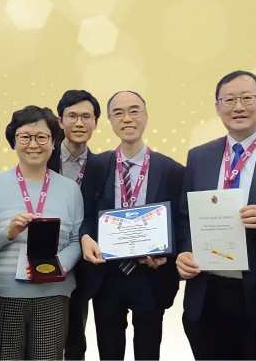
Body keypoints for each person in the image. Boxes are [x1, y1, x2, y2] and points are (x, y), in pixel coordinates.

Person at [174, 71, 256, 360]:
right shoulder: (199, 156)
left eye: (247, 98)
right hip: (208, 294)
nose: (238, 107)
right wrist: (183, 253)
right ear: (217, 106)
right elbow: (185, 218)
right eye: (229, 99)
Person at [79, 90, 184, 360]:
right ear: (110, 121)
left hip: (150, 275)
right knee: (109, 352)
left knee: (148, 352)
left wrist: (166, 254)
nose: (127, 118)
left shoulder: (172, 169)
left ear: (146, 117)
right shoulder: (96, 165)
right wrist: (85, 236)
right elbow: (87, 215)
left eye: (134, 110)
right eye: (118, 112)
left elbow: (180, 221)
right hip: (108, 276)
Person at [0, 105, 83, 360]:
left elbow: (77, 239)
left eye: (42, 137)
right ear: (14, 141)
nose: (34, 144)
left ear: (54, 142)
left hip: (52, 296)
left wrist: (56, 267)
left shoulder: (70, 189)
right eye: (25, 137)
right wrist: (7, 232)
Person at [46, 89, 101, 360]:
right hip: (46, 252)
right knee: (45, 332)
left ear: (95, 122)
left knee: (76, 332)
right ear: (60, 121)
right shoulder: (42, 157)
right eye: (72, 116)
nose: (79, 123)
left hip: (87, 260)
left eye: (86, 117)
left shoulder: (104, 165)